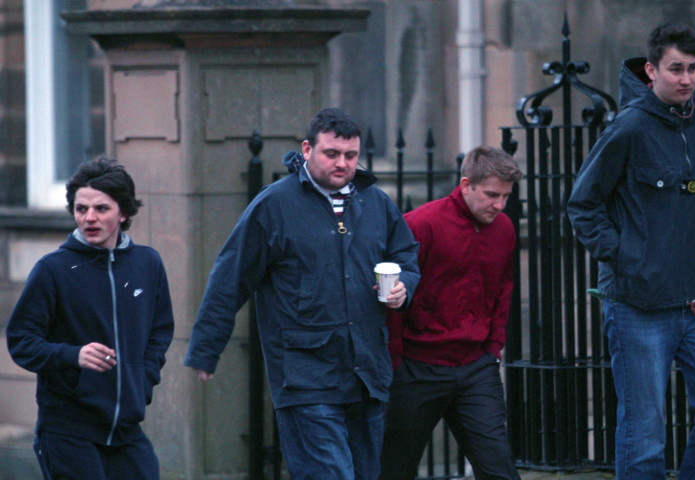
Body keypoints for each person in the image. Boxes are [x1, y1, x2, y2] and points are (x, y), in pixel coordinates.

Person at [184, 107, 420, 480]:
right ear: (307, 149)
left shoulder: (375, 203)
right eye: (332, 153)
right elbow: (230, 278)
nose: (343, 163)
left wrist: (404, 285)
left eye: (351, 155)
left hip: (367, 375)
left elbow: (405, 254)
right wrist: (205, 348)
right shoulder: (274, 204)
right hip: (305, 377)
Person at [567, 22, 695, 479]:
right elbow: (582, 205)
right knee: (644, 435)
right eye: (675, 69)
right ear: (651, 70)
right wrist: (627, 257)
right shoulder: (627, 128)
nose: (686, 79)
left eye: (693, 68)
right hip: (639, 305)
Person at [6, 157, 174, 480]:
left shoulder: (148, 264)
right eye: (81, 209)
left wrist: (143, 380)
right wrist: (73, 356)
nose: (89, 218)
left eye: (101, 208)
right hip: (68, 430)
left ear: (123, 212)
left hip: (126, 431)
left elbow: (160, 330)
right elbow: (21, 341)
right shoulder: (53, 269)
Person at [380, 145, 523, 480]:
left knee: (499, 467)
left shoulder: (504, 230)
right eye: (491, 195)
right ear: (465, 184)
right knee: (393, 469)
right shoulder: (420, 225)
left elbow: (503, 291)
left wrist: (492, 350)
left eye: (505, 196)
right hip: (417, 368)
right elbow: (392, 297)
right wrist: (397, 362)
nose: (499, 205)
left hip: (476, 368)